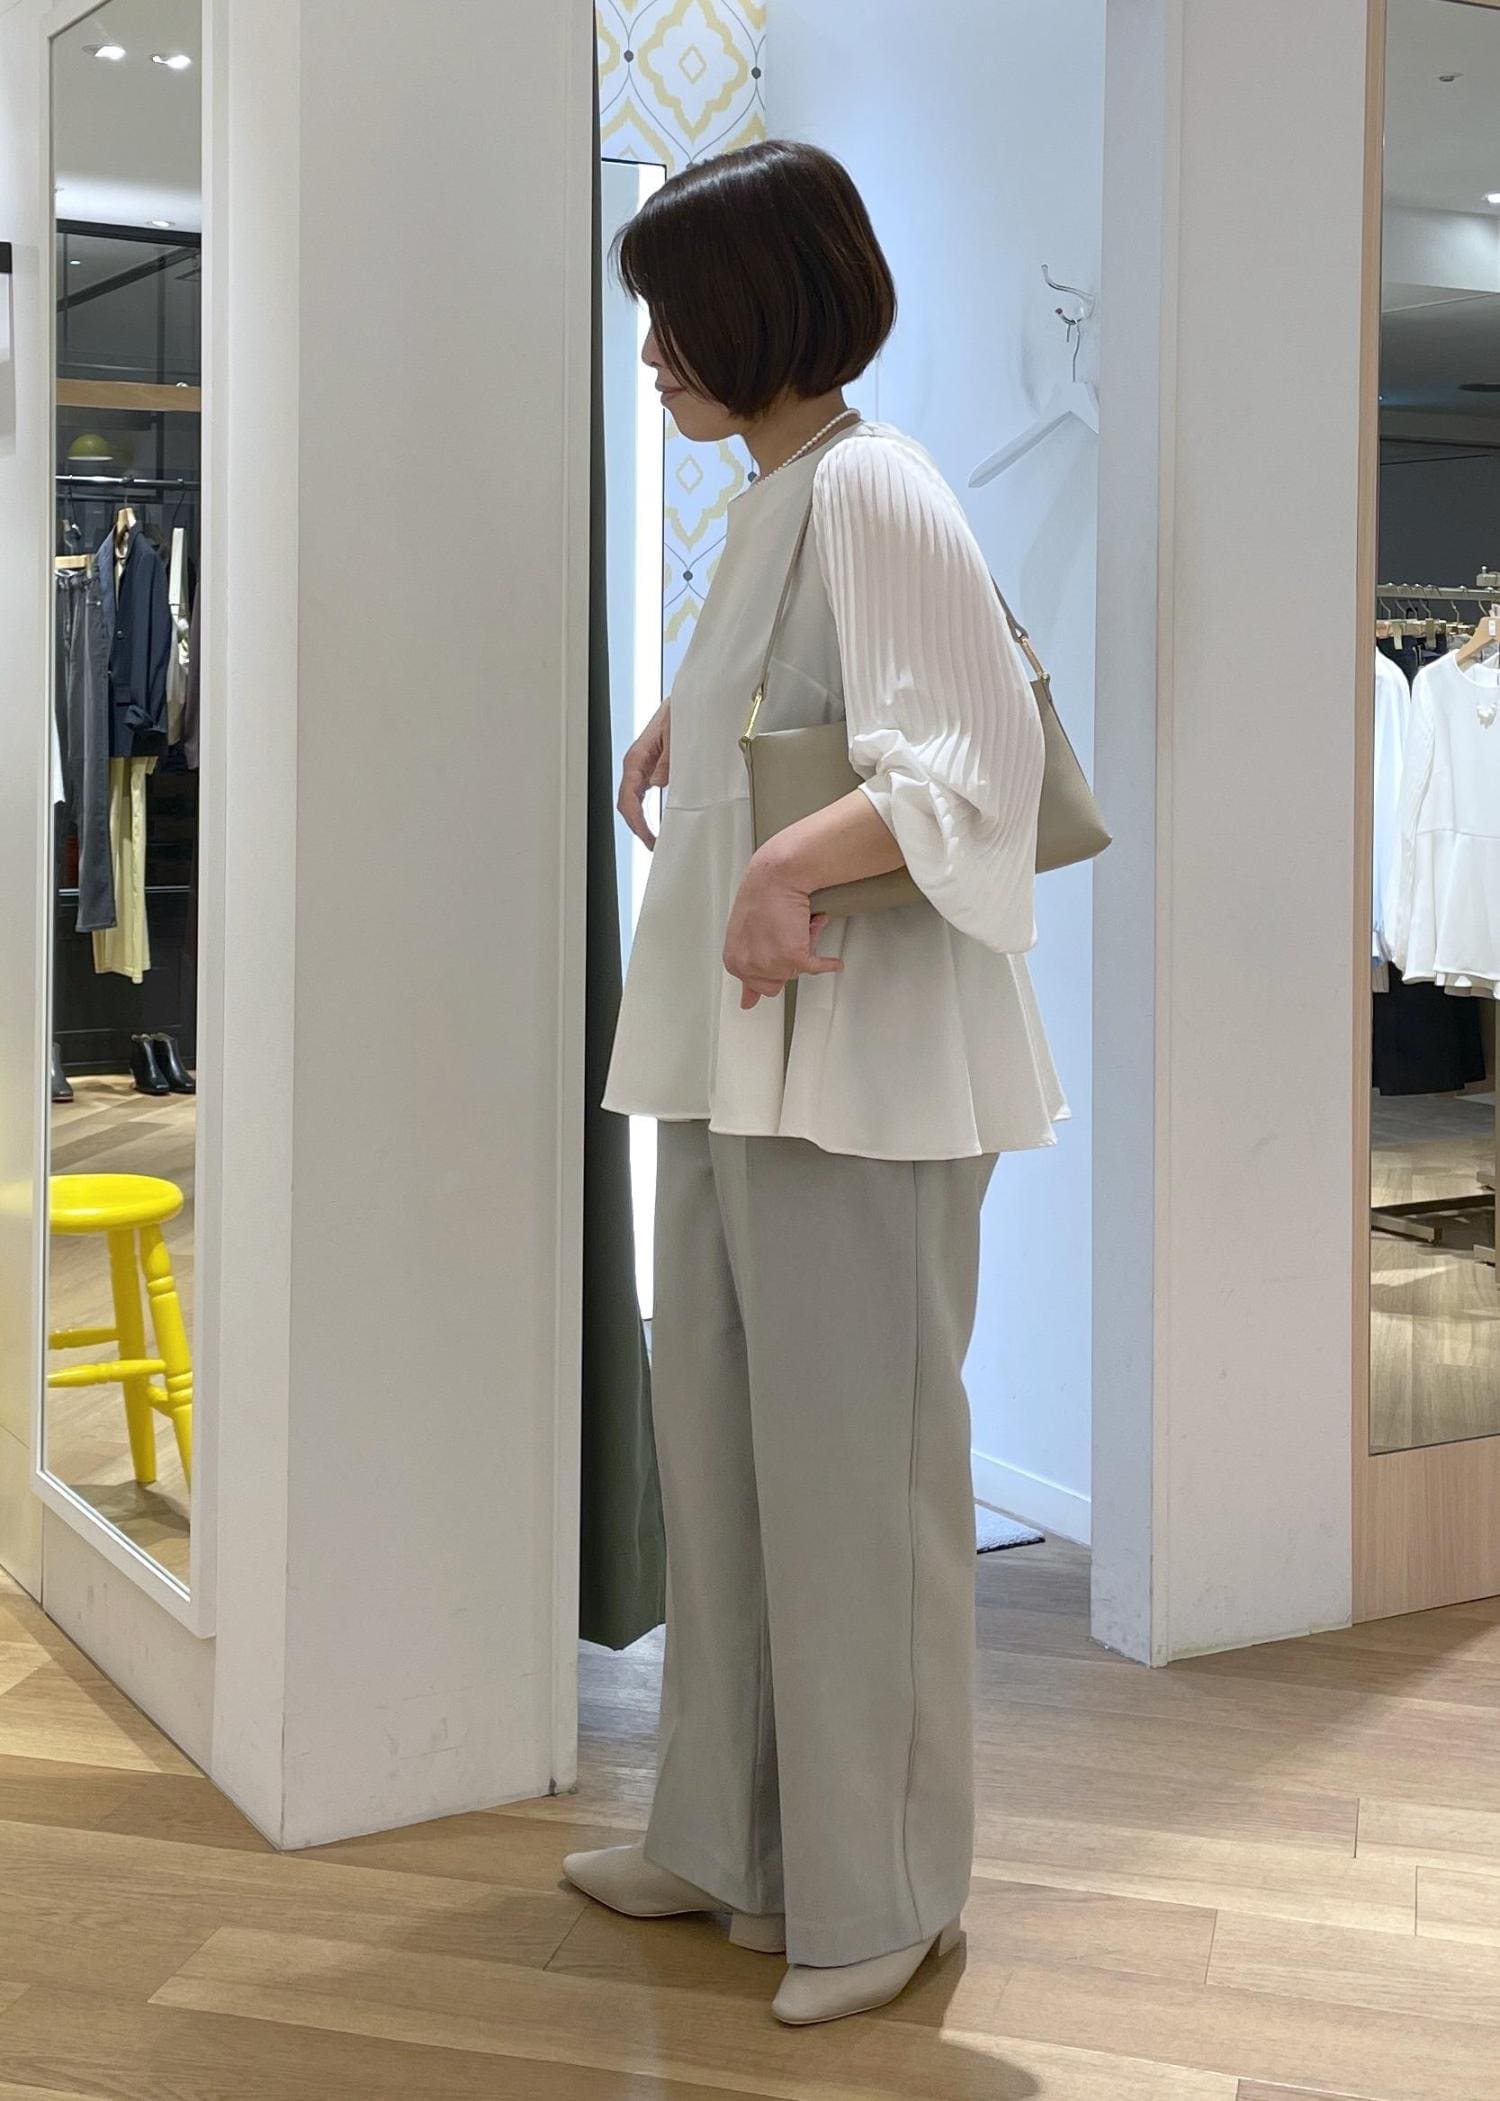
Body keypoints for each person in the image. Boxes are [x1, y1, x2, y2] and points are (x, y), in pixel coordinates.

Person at [565, 137, 1065, 2027]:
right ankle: (732, 1841)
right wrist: (690, 723)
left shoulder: (876, 485)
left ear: (763, 305)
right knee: (725, 1461)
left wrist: (779, 858)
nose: (652, 359)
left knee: (860, 1488)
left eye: (675, 319)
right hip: (750, 1059)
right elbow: (836, 709)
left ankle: (886, 1890)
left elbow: (976, 761)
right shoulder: (786, 496)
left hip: (860, 1076)